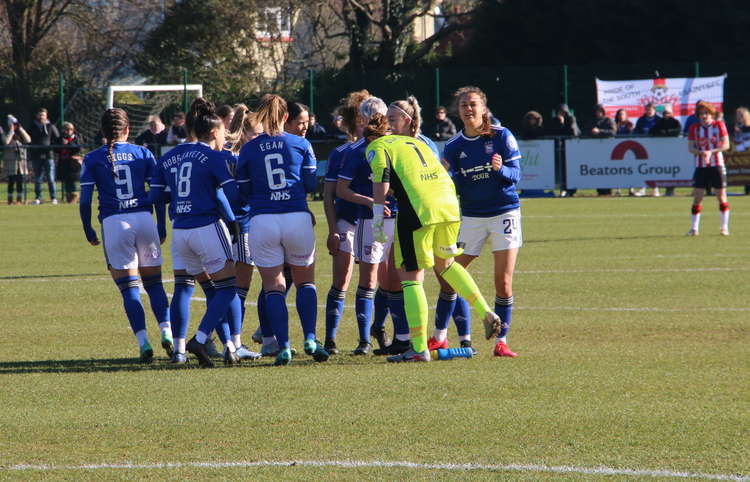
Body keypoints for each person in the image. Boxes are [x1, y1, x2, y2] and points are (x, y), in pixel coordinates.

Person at [365, 115, 503, 363]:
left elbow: (381, 179)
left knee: (410, 276)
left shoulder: (377, 146)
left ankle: (418, 348)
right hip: (449, 206)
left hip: (419, 209)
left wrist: (377, 219)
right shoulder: (415, 142)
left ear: (371, 137)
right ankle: (486, 311)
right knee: (446, 265)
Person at [149, 98, 245, 367]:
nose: (225, 135)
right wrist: (235, 218)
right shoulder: (213, 157)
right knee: (227, 287)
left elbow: (156, 196)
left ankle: (180, 352)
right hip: (207, 228)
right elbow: (229, 194)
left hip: (180, 230)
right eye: (224, 132)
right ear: (214, 132)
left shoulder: (168, 157)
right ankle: (205, 339)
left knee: (184, 288)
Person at [237, 93, 329, 366]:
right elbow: (312, 185)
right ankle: (311, 338)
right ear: (287, 117)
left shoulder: (250, 148)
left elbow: (242, 190)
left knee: (273, 286)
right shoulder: (301, 144)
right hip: (296, 217)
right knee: (305, 282)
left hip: (263, 220)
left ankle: (284, 346)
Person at [79, 108, 172, 363]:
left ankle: (144, 343)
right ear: (128, 130)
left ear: (102, 132)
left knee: (130, 290)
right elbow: (158, 193)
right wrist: (161, 225)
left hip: (114, 223)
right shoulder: (143, 153)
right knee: (154, 285)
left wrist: (88, 229)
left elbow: (85, 201)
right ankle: (167, 331)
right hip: (144, 220)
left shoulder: (93, 158)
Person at [336, 96, 394, 355]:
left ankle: (391, 332)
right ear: (361, 120)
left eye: (382, 119)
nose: (377, 123)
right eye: (371, 119)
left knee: (393, 278)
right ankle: (364, 340)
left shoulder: (395, 146)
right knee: (369, 279)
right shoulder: (355, 151)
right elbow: (341, 190)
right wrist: (372, 201)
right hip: (368, 222)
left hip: (396, 220)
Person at [322, 91, 369, 355]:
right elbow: (329, 196)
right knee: (342, 280)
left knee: (373, 281)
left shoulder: (383, 149)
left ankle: (367, 339)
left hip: (375, 223)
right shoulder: (340, 153)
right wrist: (332, 230)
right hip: (347, 222)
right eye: (362, 118)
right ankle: (330, 339)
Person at [686, 102, 730, 236]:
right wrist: (702, 153)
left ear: (711, 114)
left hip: (717, 165)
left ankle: (724, 227)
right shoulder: (694, 128)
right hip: (701, 167)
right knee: (697, 197)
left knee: (721, 197)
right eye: (701, 114)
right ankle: (694, 228)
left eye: (706, 113)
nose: (704, 116)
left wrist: (712, 151)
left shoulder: (719, 125)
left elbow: (726, 145)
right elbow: (690, 148)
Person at [27, 107, 60, 205]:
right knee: (38, 178)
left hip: (48, 156)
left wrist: (52, 147)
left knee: (50, 178)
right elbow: (28, 138)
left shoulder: (51, 126)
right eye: (40, 115)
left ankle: (53, 198)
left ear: (46, 116)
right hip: (36, 156)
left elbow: (57, 138)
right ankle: (38, 198)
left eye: (44, 115)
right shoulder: (32, 126)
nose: (42, 117)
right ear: (37, 115)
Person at [548, 104, 579, 197]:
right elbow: (552, 132)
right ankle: (563, 189)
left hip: (571, 149)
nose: (562, 113)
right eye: (560, 111)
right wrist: (560, 123)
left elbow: (573, 132)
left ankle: (571, 190)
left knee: (571, 169)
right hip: (559, 150)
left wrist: (563, 123)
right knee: (562, 170)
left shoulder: (571, 119)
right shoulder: (554, 120)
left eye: (563, 112)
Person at [651, 104, 682, 196]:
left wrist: (666, 133)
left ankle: (670, 189)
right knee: (663, 170)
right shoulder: (660, 122)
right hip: (662, 151)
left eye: (668, 113)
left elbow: (677, 131)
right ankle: (659, 189)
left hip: (673, 151)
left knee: (672, 170)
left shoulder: (675, 122)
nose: (666, 115)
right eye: (665, 113)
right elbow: (652, 131)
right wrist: (661, 133)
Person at [586, 104, 616, 196]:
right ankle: (600, 190)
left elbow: (613, 132)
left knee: (607, 170)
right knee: (597, 169)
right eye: (596, 111)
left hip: (608, 149)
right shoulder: (592, 121)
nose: (597, 113)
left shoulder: (609, 121)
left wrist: (600, 131)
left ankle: (608, 190)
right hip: (595, 150)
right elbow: (586, 131)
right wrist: (592, 132)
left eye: (599, 111)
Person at [633, 103, 661, 197]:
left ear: (654, 110)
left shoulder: (659, 120)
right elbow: (636, 132)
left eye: (651, 110)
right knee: (644, 168)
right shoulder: (641, 120)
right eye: (647, 109)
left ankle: (655, 189)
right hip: (643, 148)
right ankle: (642, 189)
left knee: (654, 168)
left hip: (656, 148)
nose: (649, 111)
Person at [2, 115, 31, 205]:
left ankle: (19, 199)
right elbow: (6, 142)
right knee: (11, 181)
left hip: (21, 161)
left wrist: (20, 128)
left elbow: (28, 140)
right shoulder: (5, 132)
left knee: (20, 180)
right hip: (11, 160)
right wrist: (11, 130)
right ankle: (10, 199)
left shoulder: (20, 133)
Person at [57, 122, 83, 203]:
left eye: (70, 129)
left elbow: (78, 148)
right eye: (67, 129)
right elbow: (56, 149)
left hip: (73, 163)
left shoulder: (76, 138)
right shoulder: (60, 138)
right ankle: (69, 198)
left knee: (73, 180)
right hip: (63, 162)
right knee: (66, 180)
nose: (68, 131)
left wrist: (68, 143)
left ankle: (75, 197)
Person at [732, 106, 750, 195]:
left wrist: (741, 130)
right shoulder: (736, 127)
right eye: (737, 115)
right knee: (744, 172)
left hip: (747, 152)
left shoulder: (747, 127)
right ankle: (747, 190)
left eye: (740, 115)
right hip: (741, 153)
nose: (738, 117)